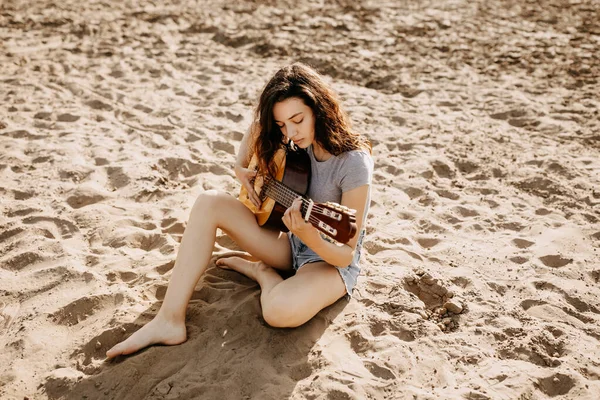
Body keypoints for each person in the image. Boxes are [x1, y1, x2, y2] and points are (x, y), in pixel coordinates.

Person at [106, 62, 374, 359]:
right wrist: (240, 168)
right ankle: (169, 320)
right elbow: (256, 128)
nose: (291, 132)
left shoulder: (353, 163)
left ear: (319, 108)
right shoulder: (291, 138)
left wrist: (308, 234)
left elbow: (346, 252)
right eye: (283, 125)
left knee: (278, 311)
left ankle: (260, 271)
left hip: (327, 261)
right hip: (290, 243)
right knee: (209, 202)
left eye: (298, 120)